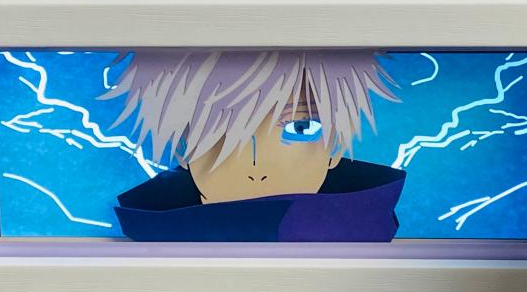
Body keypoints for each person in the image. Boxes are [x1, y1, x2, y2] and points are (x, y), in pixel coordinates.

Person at [102, 49, 406, 241]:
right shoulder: (152, 240)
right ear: (184, 150)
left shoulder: (371, 239)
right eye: (219, 134)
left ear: (335, 147)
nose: (256, 168)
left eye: (300, 128)